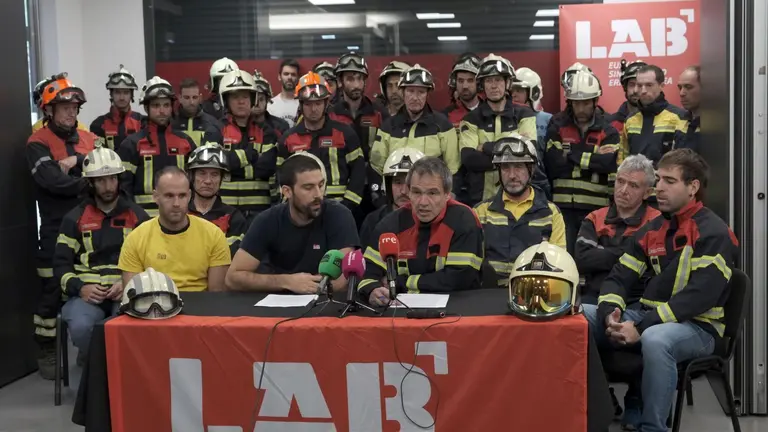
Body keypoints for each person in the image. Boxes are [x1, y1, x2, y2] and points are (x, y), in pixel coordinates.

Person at [586, 149, 738, 432]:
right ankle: (593, 415)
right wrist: (611, 314)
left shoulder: (714, 233)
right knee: (580, 317)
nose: (660, 188)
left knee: (656, 339)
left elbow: (698, 298)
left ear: (693, 187)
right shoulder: (653, 229)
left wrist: (641, 326)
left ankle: (653, 427)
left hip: (700, 328)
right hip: (650, 317)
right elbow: (619, 276)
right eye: (658, 180)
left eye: (670, 181)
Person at [26, 75, 98, 379]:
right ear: (49, 111)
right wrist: (89, 180)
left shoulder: (87, 138)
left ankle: (86, 347)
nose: (71, 113)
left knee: (93, 282)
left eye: (74, 107)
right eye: (64, 107)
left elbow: (109, 169)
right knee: (52, 289)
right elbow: (53, 182)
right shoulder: (37, 142)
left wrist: (76, 160)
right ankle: (46, 348)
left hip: (91, 226)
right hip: (56, 228)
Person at [54, 148, 150, 363]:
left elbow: (150, 261)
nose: (108, 187)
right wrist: (81, 288)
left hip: (126, 293)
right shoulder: (74, 219)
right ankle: (97, 369)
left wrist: (128, 284)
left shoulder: (138, 216)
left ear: (119, 179)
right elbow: (60, 266)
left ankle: (117, 372)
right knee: (81, 328)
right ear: (90, 183)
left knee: (132, 328)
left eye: (112, 179)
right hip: (86, 295)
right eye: (101, 181)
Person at [225, 153, 359, 293]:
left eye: (321, 185)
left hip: (324, 304)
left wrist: (309, 286)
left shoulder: (339, 215)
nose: (318, 194)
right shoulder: (267, 220)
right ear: (287, 191)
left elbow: (342, 278)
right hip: (277, 304)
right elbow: (232, 278)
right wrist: (287, 281)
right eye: (308, 188)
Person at [358, 157, 484, 305]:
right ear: (408, 192)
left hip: (458, 310)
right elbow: (365, 275)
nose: (423, 202)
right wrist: (372, 290)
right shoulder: (390, 225)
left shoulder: (464, 220)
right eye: (417, 192)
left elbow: (459, 279)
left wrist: (401, 283)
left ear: (447, 194)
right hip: (399, 315)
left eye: (432, 193)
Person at [118, 166, 231, 292]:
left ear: (189, 196)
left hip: (201, 308)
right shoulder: (136, 239)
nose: (176, 203)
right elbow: (132, 295)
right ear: (155, 197)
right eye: (169, 196)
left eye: (182, 196)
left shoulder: (214, 235)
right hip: (153, 307)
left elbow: (217, 297)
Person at [544, 70, 621, 254]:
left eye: (586, 103)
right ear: (569, 102)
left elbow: (608, 164)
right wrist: (593, 156)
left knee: (590, 256)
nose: (580, 109)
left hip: (596, 208)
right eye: (576, 103)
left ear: (595, 101)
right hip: (562, 208)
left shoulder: (609, 131)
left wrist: (569, 153)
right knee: (564, 256)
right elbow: (553, 164)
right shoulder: (557, 126)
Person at [473, 135, 565, 287]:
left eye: (519, 167)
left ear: (532, 169)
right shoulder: (481, 212)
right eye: (505, 167)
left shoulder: (551, 213)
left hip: (533, 295)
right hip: (488, 295)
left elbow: (557, 265)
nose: (512, 175)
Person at [269, 72, 366, 209]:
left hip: (339, 208)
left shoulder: (346, 134)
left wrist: (348, 206)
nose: (313, 109)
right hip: (302, 211)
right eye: (308, 104)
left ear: (326, 103)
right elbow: (281, 177)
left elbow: (358, 172)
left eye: (318, 103)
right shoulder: (288, 139)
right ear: (301, 105)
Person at [575, 154, 660, 305]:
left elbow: (653, 269)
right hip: (594, 298)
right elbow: (582, 260)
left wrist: (603, 252)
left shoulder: (656, 221)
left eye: (633, 185)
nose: (623, 190)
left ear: (647, 193)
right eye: (620, 182)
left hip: (637, 302)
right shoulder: (595, 217)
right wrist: (626, 254)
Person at [370, 64, 459, 208]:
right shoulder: (388, 127)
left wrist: (446, 202)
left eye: (421, 92)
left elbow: (454, 169)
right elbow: (376, 167)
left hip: (430, 204)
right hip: (396, 204)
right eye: (410, 91)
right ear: (403, 92)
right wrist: (380, 200)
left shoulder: (442, 126)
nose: (415, 97)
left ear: (427, 94)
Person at [460, 54, 538, 207]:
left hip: (519, 199)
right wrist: (513, 154)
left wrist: (486, 147)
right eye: (488, 80)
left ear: (507, 83)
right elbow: (469, 159)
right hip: (479, 200)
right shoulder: (470, 119)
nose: (493, 85)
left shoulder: (525, 114)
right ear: (482, 85)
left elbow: (529, 153)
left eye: (498, 80)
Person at [118, 76, 197, 216]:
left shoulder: (185, 141)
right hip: (144, 219)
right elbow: (124, 188)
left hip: (179, 217)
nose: (162, 111)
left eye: (166, 105)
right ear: (146, 107)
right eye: (156, 106)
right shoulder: (132, 144)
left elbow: (194, 183)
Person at [217, 69, 279, 221]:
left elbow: (266, 169)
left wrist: (233, 168)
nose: (241, 101)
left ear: (253, 99)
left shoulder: (267, 132)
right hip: (225, 210)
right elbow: (217, 164)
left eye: (245, 96)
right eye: (235, 97)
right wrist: (250, 156)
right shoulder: (216, 130)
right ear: (226, 100)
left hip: (260, 211)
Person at [620, 64, 689, 167]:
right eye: (639, 85)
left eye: (649, 85)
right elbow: (622, 160)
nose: (643, 91)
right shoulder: (630, 120)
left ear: (661, 86)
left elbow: (685, 163)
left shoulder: (679, 117)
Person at [187, 144, 248, 257]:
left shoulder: (233, 217)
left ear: (221, 179)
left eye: (214, 174)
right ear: (192, 176)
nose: (208, 181)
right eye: (202, 173)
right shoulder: (180, 213)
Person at [359, 148, 425, 247]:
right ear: (387, 185)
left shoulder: (433, 221)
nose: (403, 191)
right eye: (398, 182)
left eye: (410, 183)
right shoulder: (373, 221)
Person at [511, 67, 553, 199]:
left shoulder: (548, 120)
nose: (513, 95)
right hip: (513, 181)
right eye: (512, 91)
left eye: (519, 90)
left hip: (539, 184)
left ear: (533, 93)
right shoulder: (505, 119)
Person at [90, 65, 145, 150]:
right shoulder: (98, 124)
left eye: (126, 92)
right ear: (111, 94)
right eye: (117, 92)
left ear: (132, 95)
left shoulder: (143, 122)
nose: (122, 97)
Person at [173, 78, 223, 146]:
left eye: (194, 97)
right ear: (180, 98)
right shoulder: (171, 124)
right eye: (187, 97)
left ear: (200, 98)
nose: (191, 102)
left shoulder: (214, 124)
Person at [443, 56, 481, 127]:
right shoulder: (444, 117)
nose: (465, 86)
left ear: (478, 83)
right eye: (460, 81)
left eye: (470, 80)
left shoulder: (490, 110)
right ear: (454, 83)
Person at [252, 70, 291, 139]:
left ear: (267, 100)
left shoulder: (281, 126)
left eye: (261, 99)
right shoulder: (241, 126)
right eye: (253, 99)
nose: (256, 104)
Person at [611, 59, 647, 124]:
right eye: (632, 84)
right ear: (625, 87)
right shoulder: (611, 122)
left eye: (640, 85)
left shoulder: (664, 120)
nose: (635, 90)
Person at [268, 58, 301, 127]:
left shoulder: (304, 104)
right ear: (279, 77)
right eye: (286, 74)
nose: (289, 77)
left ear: (298, 78)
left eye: (293, 74)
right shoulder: (270, 105)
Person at [678, 65, 701, 152]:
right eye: (680, 88)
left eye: (688, 87)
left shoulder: (717, 125)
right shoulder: (681, 119)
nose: (681, 93)